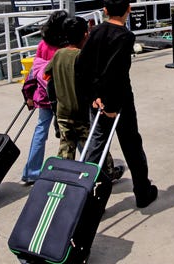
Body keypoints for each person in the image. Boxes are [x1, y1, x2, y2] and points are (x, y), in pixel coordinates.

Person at [76, 0, 157, 208]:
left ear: (105, 10)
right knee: (131, 144)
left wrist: (93, 96)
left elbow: (82, 65)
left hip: (97, 99)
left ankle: (83, 196)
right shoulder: (126, 37)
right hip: (118, 100)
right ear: (128, 10)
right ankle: (142, 191)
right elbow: (117, 73)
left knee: (96, 146)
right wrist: (111, 105)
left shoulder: (95, 31)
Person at [44, 16, 124, 181]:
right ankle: (106, 172)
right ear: (85, 35)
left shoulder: (58, 54)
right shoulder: (83, 56)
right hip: (82, 112)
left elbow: (47, 75)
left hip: (63, 112)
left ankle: (62, 177)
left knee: (66, 147)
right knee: (95, 145)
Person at [21, 10, 68, 185]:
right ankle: (88, 165)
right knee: (73, 131)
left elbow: (34, 71)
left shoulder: (43, 44)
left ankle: (31, 171)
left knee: (41, 130)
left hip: (42, 94)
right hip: (61, 95)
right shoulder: (66, 47)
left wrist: (28, 92)